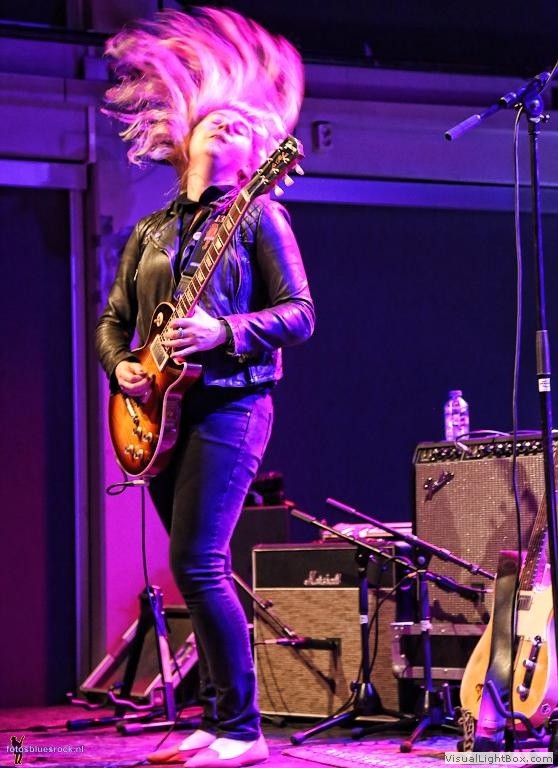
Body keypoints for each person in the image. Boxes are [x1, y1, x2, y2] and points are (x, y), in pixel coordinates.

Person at [96, 7, 314, 768]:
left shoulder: (261, 216)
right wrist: (120, 365)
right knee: (193, 568)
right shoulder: (149, 232)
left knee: (198, 562)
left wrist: (225, 331)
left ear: (257, 157)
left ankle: (243, 730)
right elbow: (113, 320)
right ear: (186, 137)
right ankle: (217, 721)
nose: (229, 124)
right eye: (217, 118)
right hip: (158, 412)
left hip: (232, 403)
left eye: (244, 126)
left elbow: (300, 314)